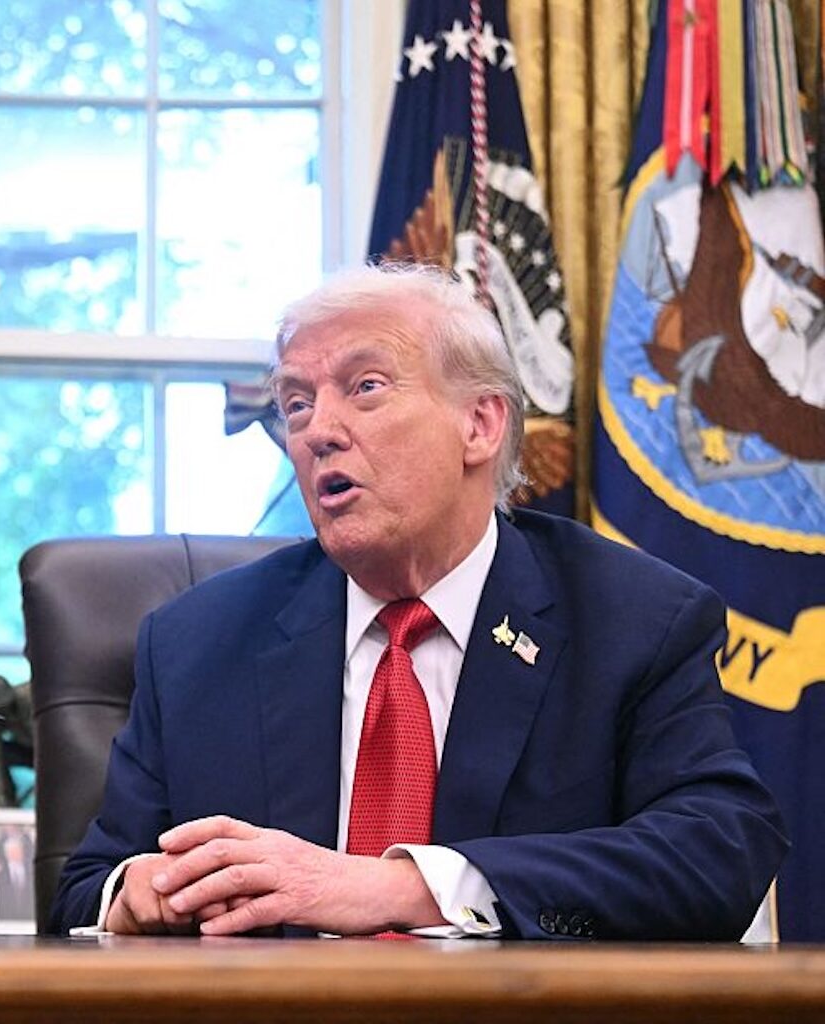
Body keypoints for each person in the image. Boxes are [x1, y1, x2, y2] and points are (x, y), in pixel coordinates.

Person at [48, 263, 788, 941]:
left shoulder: (633, 621)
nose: (318, 433)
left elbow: (719, 850)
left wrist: (406, 888)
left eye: (365, 388)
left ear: (481, 424)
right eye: (296, 404)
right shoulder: (197, 643)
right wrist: (133, 892)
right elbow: (84, 891)